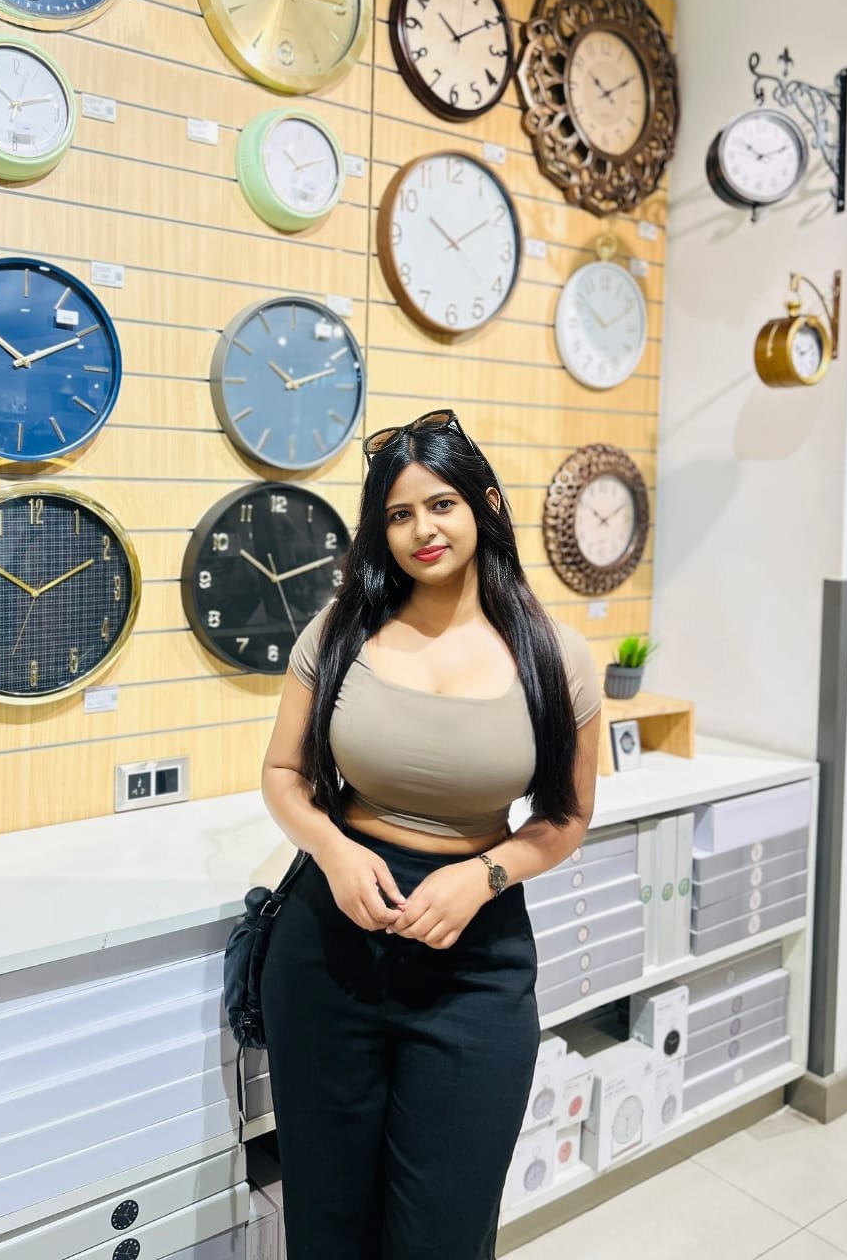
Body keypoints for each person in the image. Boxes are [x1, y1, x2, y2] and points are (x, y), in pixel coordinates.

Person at [259, 409, 601, 1260]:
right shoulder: (340, 631)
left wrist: (485, 875)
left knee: (445, 1233)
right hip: (329, 945)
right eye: (399, 515)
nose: (423, 530)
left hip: (475, 961)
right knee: (327, 1226)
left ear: (485, 504)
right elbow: (284, 775)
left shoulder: (554, 656)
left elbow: (566, 818)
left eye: (441, 504)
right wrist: (333, 851)